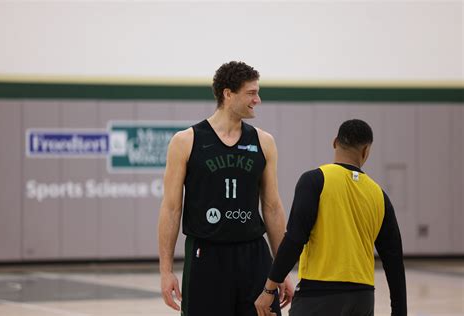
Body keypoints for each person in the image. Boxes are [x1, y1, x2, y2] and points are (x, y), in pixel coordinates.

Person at [158, 61, 294, 316]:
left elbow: (273, 207)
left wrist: (282, 270)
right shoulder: (186, 141)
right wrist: (166, 271)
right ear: (228, 93)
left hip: (253, 255)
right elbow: (171, 208)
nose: (258, 100)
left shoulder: (264, 142)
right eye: (251, 93)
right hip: (206, 255)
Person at [255, 119, 407, 316]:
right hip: (363, 298)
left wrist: (269, 288)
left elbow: (294, 239)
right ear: (365, 151)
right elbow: (393, 260)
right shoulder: (379, 195)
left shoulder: (315, 180)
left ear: (335, 142)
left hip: (319, 295)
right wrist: (399, 312)